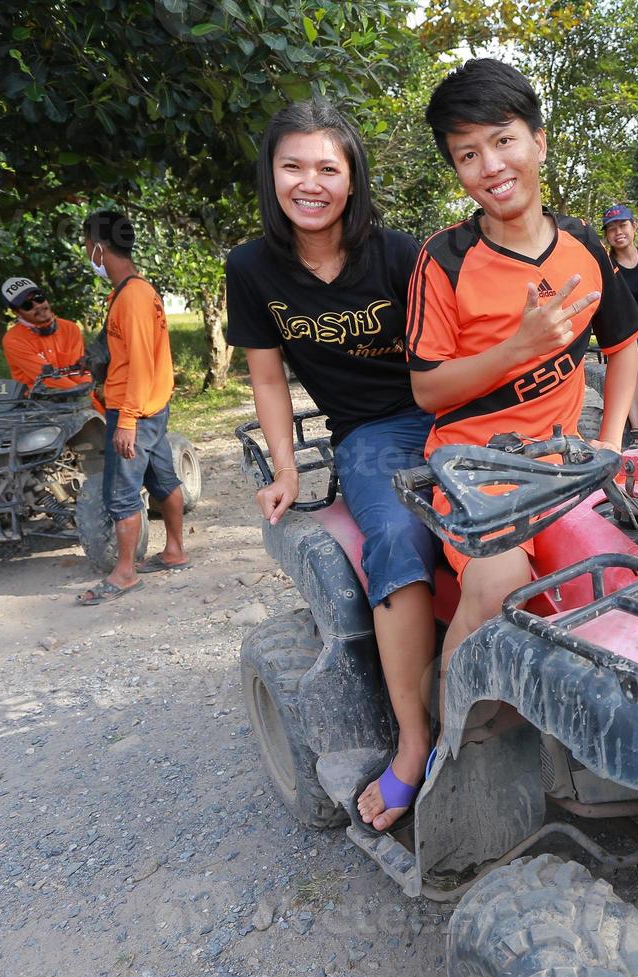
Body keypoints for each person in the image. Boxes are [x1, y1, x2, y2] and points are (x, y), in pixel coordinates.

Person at [225, 101, 435, 833]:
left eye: (327, 167)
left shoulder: (401, 253)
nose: (309, 182)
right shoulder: (251, 268)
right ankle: (413, 741)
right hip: (372, 432)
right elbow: (269, 378)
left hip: (452, 413)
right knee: (399, 543)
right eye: (292, 166)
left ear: (351, 178)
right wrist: (285, 470)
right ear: (271, 175)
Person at [406, 58, 638, 688]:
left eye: (503, 141)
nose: (491, 167)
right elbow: (427, 389)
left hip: (566, 462)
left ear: (538, 141)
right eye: (468, 155)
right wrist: (519, 347)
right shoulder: (445, 259)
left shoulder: (586, 246)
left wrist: (612, 443)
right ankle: (447, 744)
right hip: (476, 473)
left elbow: (623, 351)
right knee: (498, 588)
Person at [76, 209, 190, 605]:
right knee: (163, 480)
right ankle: (174, 550)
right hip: (151, 407)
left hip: (135, 411)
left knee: (121, 493)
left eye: (87, 245)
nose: (87, 252)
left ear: (99, 248)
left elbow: (140, 362)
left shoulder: (133, 298)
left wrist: (125, 420)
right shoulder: (135, 291)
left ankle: (124, 573)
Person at [0, 276, 102, 411]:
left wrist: (90, 400)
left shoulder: (70, 328)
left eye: (39, 297)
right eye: (27, 305)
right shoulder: (13, 340)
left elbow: (79, 372)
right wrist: (84, 400)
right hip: (37, 406)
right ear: (16, 312)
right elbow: (47, 379)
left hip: (79, 397)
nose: (38, 306)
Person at [601, 203, 638, 421]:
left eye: (622, 225)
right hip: (628, 332)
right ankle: (637, 429)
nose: (618, 233)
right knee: (633, 359)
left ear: (634, 226)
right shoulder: (605, 265)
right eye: (611, 229)